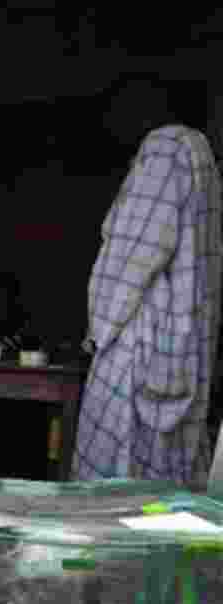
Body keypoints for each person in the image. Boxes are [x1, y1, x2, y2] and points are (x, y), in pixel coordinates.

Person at [74, 74, 222, 485]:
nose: (111, 124)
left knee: (117, 481)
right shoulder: (201, 153)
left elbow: (132, 254)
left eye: (117, 110)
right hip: (182, 350)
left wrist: (97, 333)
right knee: (168, 486)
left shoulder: (165, 147)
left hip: (140, 346)